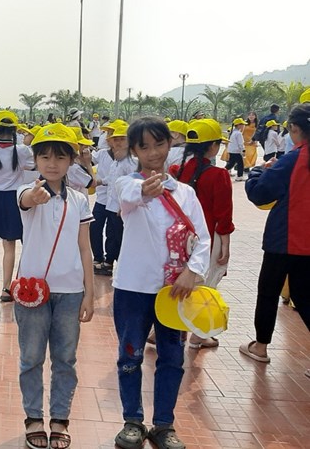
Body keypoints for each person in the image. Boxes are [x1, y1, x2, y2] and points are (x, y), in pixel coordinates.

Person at [112, 117, 211, 449]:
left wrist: (192, 271)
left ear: (170, 144)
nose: (153, 152)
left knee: (172, 357)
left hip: (174, 291)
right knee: (130, 355)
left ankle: (164, 424)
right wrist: (143, 189)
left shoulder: (186, 193)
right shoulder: (127, 185)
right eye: (144, 146)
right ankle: (132, 421)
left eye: (159, 144)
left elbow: (203, 238)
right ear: (134, 150)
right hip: (133, 288)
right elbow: (127, 196)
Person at [15, 123, 95, 449]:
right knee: (31, 357)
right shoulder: (26, 191)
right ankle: (33, 417)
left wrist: (90, 293)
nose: (52, 163)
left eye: (60, 157)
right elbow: (26, 200)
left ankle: (60, 418)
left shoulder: (78, 200)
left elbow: (85, 248)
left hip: (71, 292)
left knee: (65, 359)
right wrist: (34, 197)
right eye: (45, 156)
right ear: (35, 159)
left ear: (71, 161)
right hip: (31, 292)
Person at [240, 104, 310, 369]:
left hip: (284, 239)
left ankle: (260, 347)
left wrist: (259, 170)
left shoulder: (292, 160)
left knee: (268, 292)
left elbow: (260, 193)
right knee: (305, 296)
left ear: (294, 128)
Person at [170, 119, 234, 348]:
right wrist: (225, 244)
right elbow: (223, 214)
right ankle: (198, 335)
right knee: (205, 286)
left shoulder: (177, 171)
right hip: (208, 238)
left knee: (178, 282)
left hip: (180, 238)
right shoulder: (218, 175)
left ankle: (167, 329)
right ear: (213, 146)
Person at [0, 110, 34, 302]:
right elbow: (32, 166)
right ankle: (6, 288)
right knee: (9, 244)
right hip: (11, 198)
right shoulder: (22, 151)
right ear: (14, 131)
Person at [91, 121, 136, 276]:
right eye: (115, 139)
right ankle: (109, 262)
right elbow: (111, 180)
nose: (118, 142)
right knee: (111, 234)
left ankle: (122, 265)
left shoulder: (131, 162)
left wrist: (124, 205)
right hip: (111, 205)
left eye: (122, 139)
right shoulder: (116, 160)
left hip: (120, 208)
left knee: (120, 236)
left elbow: (132, 185)